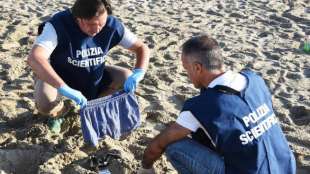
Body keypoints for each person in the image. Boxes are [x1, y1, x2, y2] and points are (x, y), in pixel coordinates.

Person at [138, 35, 296, 174]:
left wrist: (146, 166)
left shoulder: (200, 106)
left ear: (197, 68)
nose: (187, 75)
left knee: (174, 145)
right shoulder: (255, 79)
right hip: (286, 166)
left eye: (187, 70)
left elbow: (159, 144)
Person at [27, 0, 150, 133]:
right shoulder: (58, 25)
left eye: (101, 24)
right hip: (60, 78)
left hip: (93, 76)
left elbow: (141, 48)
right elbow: (35, 58)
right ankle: (59, 113)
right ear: (77, 18)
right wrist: (63, 88)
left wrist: (139, 72)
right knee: (46, 103)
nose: (97, 30)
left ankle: (93, 107)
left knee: (127, 77)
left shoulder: (112, 25)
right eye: (91, 24)